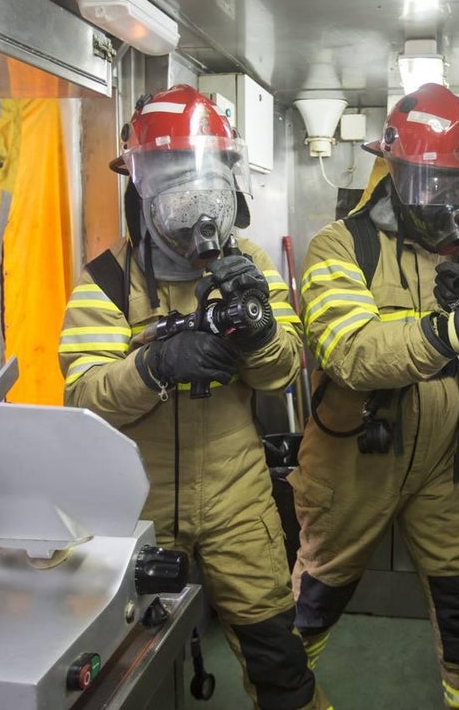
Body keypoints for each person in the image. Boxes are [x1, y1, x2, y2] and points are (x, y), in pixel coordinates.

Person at [58, 85, 330, 710]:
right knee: (126, 668)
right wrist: (153, 366)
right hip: (137, 504)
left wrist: (259, 329)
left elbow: (282, 373)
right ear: (144, 187)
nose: (199, 205)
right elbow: (84, 396)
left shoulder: (250, 266)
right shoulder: (107, 281)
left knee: (278, 659)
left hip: (238, 496)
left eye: (207, 180)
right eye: (178, 182)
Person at [291, 83, 459, 709]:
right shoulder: (340, 245)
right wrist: (457, 327)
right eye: (433, 183)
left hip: (449, 466)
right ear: (395, 175)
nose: (449, 200)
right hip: (352, 465)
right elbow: (352, 352)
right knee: (310, 610)